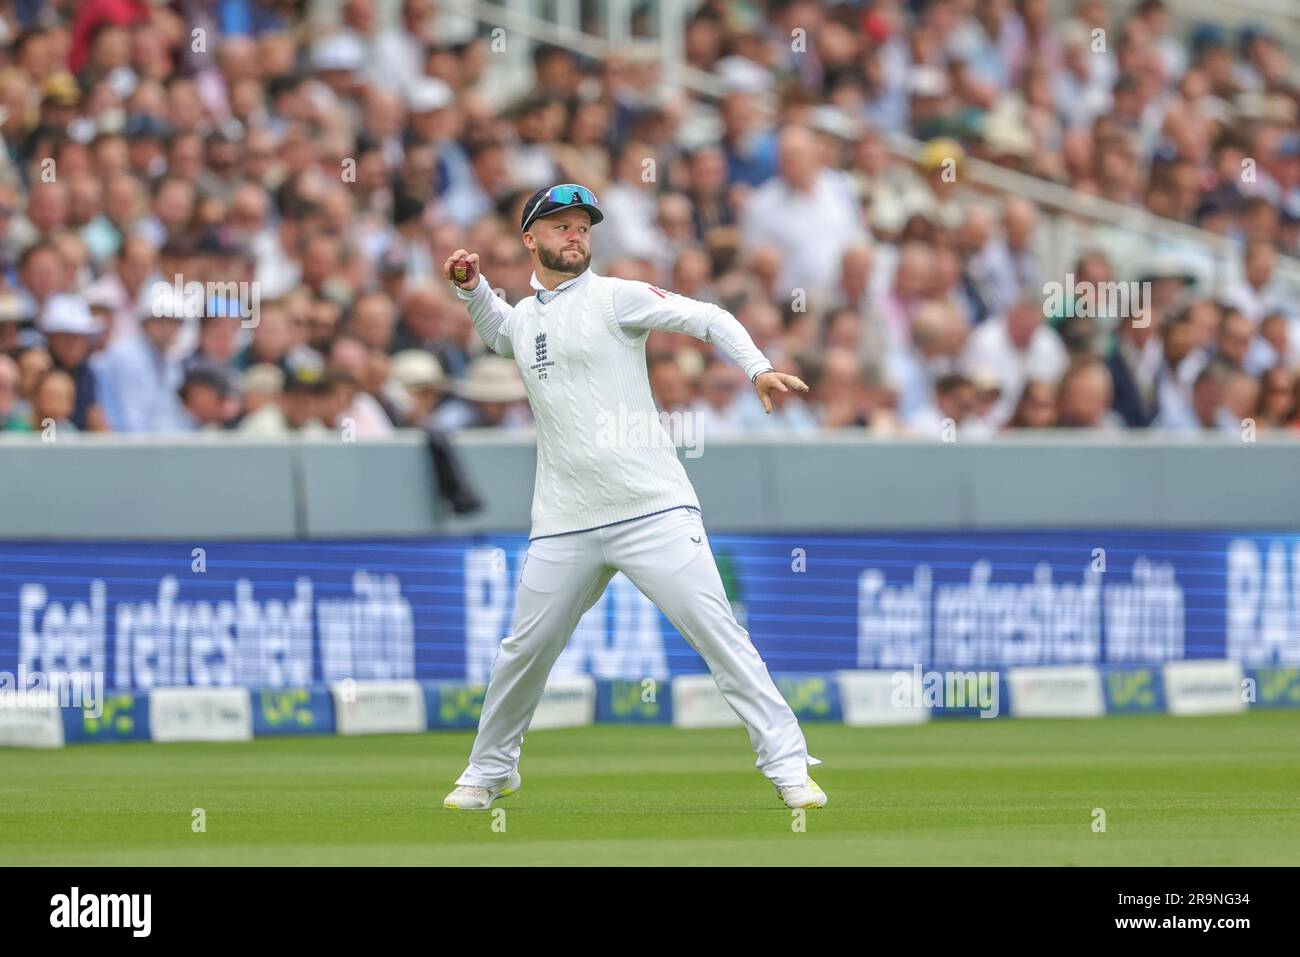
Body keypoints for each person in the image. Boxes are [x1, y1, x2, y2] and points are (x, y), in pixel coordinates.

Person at [440, 183, 825, 811]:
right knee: (524, 652)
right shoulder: (527, 317)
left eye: (583, 227)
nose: (575, 235)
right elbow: (501, 335)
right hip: (564, 519)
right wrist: (470, 289)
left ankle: (788, 766)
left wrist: (755, 366)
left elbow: (707, 317)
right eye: (560, 225)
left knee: (718, 634)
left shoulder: (616, 297)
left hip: (653, 508)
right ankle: (489, 770)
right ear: (529, 239)